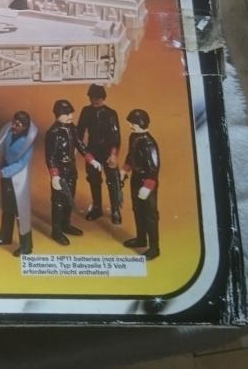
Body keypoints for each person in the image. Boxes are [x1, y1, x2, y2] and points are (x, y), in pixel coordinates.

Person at [45, 99, 102, 245]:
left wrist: (92, 160)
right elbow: (50, 157)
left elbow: (80, 145)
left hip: (71, 170)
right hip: (60, 173)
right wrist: (54, 176)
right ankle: (56, 231)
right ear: (58, 114)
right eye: (67, 114)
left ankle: (66, 224)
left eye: (71, 113)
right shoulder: (53, 133)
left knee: (69, 200)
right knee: (58, 202)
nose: (70, 116)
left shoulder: (72, 128)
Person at [0, 111, 37, 257]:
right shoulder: (9, 133)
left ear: (25, 126)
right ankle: (5, 236)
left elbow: (21, 163)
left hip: (18, 178)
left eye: (18, 124)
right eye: (14, 122)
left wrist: (3, 172)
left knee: (20, 212)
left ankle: (26, 246)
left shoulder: (27, 142)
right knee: (7, 208)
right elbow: (4, 153)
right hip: (6, 176)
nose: (14, 126)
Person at [78, 84, 123, 224]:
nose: (96, 100)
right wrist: (78, 148)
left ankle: (115, 209)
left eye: (99, 97)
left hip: (108, 149)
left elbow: (116, 136)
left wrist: (113, 154)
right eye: (93, 97)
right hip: (93, 149)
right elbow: (79, 131)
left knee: (113, 180)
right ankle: (97, 207)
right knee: (93, 179)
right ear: (89, 98)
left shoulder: (111, 113)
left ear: (104, 98)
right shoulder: (86, 111)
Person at [122, 109, 161, 260]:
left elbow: (154, 168)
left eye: (133, 123)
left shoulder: (150, 144)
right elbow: (131, 155)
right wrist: (125, 170)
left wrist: (148, 187)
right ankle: (141, 238)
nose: (131, 126)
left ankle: (154, 248)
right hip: (136, 178)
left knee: (150, 214)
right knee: (137, 209)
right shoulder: (134, 137)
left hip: (147, 181)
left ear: (141, 123)